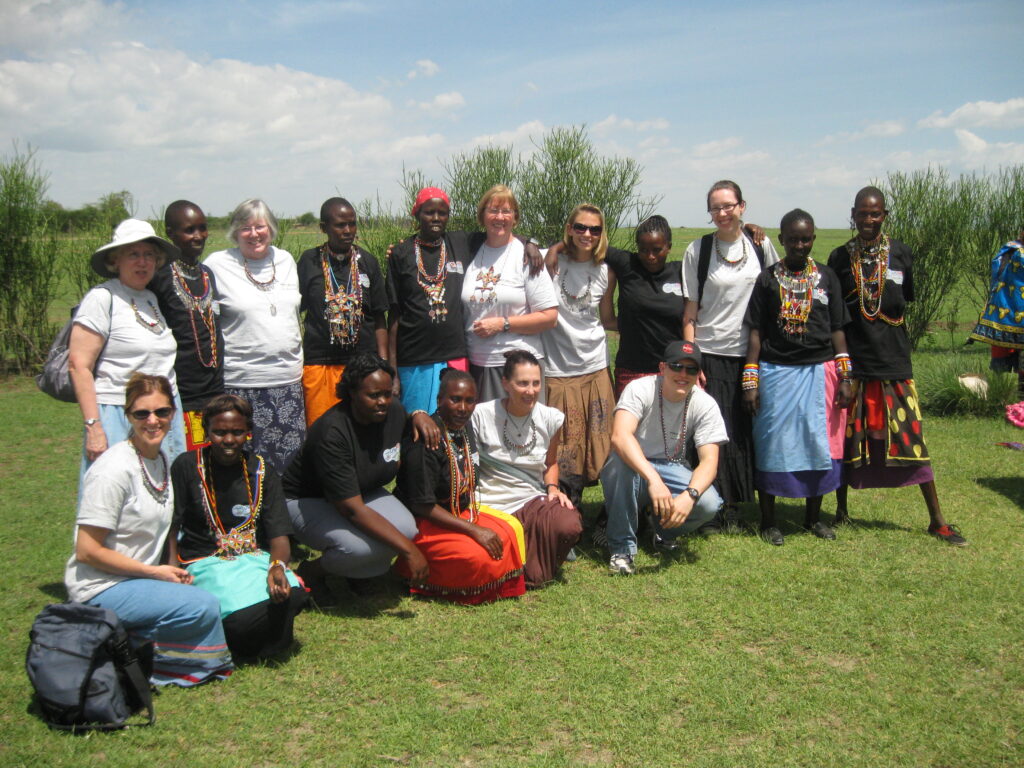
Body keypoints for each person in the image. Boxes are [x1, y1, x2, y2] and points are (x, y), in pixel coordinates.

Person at [64, 373, 234, 686]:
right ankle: (146, 660)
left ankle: (129, 644)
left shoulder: (158, 458)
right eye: (142, 413)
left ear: (173, 413)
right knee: (204, 605)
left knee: (213, 597)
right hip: (101, 587)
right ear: (127, 415)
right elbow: (87, 551)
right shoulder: (113, 470)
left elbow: (168, 526)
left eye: (162, 412)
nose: (153, 421)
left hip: (138, 579)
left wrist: (170, 567)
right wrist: (154, 574)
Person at [831, 187, 967, 545]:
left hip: (894, 361)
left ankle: (936, 519)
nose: (868, 220)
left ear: (884, 215)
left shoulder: (902, 254)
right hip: (854, 364)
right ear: (853, 214)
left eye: (875, 214)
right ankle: (840, 511)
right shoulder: (839, 258)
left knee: (911, 438)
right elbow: (836, 316)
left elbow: (903, 301)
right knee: (847, 438)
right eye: (862, 213)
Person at [282, 353, 438, 605]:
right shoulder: (332, 433)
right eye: (373, 395)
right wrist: (409, 551)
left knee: (406, 529)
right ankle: (312, 573)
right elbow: (351, 510)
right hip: (309, 499)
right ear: (352, 392)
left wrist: (419, 413)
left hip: (364, 490)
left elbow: (409, 422)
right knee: (358, 548)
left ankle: (358, 573)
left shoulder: (394, 412)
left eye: (387, 393)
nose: (382, 401)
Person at [743, 209, 853, 546]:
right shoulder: (766, 280)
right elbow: (756, 332)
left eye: (805, 239)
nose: (799, 245)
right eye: (793, 239)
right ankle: (768, 521)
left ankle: (812, 518)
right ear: (782, 240)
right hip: (776, 372)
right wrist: (751, 378)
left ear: (813, 239)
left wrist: (846, 375)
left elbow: (837, 329)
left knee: (818, 445)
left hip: (820, 373)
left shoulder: (827, 278)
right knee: (772, 444)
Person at [170, 394, 307, 659]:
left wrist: (277, 567)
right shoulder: (187, 466)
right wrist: (173, 576)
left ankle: (254, 638)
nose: (229, 440)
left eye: (237, 432)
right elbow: (171, 524)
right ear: (206, 431)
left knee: (293, 593)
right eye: (219, 432)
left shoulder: (261, 470)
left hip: (251, 558)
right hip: (206, 561)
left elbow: (279, 533)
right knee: (242, 620)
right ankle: (251, 640)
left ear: (248, 432)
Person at [681, 181, 779, 527]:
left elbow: (774, 295)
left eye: (728, 206)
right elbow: (690, 310)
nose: (722, 213)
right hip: (711, 352)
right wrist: (693, 359)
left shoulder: (760, 245)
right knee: (713, 432)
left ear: (742, 206)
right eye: (715, 208)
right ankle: (717, 503)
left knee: (746, 429)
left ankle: (742, 500)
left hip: (751, 354)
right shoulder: (699, 251)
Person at [68, 218, 187, 481]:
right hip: (120, 414)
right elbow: (79, 365)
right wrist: (94, 426)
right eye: (133, 254)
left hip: (163, 414)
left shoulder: (151, 299)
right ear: (115, 260)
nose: (142, 262)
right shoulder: (102, 298)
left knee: (162, 492)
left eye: (148, 255)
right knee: (115, 491)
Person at [395, 369, 527, 603]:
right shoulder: (427, 438)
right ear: (439, 400)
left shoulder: (463, 428)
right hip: (424, 522)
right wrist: (474, 530)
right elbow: (422, 506)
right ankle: (418, 574)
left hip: (459, 512)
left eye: (469, 401)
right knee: (476, 556)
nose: (463, 408)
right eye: (455, 399)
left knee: (511, 530)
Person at [601, 341, 727, 575]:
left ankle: (663, 531)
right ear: (662, 368)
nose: (683, 374)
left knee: (709, 503)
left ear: (699, 373)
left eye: (691, 369)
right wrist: (653, 480)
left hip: (672, 466)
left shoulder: (705, 404)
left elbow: (709, 462)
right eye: (676, 366)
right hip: (633, 464)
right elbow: (620, 436)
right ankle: (621, 549)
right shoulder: (639, 388)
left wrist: (689, 496)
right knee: (620, 464)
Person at [204, 199, 305, 475]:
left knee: (288, 468)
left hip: (287, 384)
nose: (254, 234)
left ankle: (283, 518)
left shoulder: (285, 261)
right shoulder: (217, 264)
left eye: (260, 226)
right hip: (241, 383)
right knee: (241, 466)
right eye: (245, 227)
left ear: (271, 229)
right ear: (235, 232)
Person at [470, 350, 582, 589]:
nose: (530, 391)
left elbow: (550, 462)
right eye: (522, 383)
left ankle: (531, 551)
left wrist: (552, 487)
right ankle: (525, 548)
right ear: (505, 384)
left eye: (535, 383)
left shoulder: (551, 418)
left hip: (530, 497)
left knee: (568, 523)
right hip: (489, 501)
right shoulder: (481, 414)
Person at [540, 203, 616, 505]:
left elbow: (608, 319)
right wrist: (554, 248)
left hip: (594, 366)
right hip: (557, 369)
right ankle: (566, 510)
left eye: (594, 229)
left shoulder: (605, 271)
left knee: (596, 442)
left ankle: (602, 511)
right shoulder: (550, 261)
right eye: (580, 227)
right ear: (569, 229)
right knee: (563, 447)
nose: (587, 234)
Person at [462, 185, 558, 403]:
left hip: (519, 368)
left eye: (506, 211)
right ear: (482, 215)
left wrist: (503, 324)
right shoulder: (470, 251)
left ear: (515, 217)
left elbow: (550, 317)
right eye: (493, 210)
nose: (500, 217)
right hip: (477, 364)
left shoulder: (527, 257)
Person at [298, 197, 389, 426]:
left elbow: (379, 318)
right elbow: (294, 313)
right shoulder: (309, 262)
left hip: (363, 366)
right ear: (323, 228)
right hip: (321, 363)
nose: (348, 231)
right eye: (340, 225)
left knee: (362, 429)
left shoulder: (368, 262)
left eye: (352, 223)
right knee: (321, 430)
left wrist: (384, 365)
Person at [386, 187, 473, 414]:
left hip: (455, 356)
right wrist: (392, 370)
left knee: (453, 425)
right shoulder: (401, 253)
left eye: (442, 213)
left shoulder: (460, 243)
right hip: (414, 359)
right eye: (429, 212)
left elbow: (501, 235)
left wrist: (531, 243)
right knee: (417, 427)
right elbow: (393, 315)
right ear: (417, 214)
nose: (436, 218)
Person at [149, 200, 225, 450]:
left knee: (216, 463)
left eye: (203, 228)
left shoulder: (206, 274)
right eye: (189, 230)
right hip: (182, 393)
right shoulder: (158, 276)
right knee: (186, 466)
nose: (198, 236)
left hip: (215, 390)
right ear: (170, 233)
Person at [603, 215, 685, 397]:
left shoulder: (682, 271)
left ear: (669, 247)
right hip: (632, 371)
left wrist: (746, 228)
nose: (650, 256)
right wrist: (554, 249)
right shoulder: (628, 264)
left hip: (674, 370)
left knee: (672, 426)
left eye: (657, 250)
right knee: (629, 426)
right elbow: (588, 244)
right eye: (643, 250)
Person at [969, 227, 1024, 396]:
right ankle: (1000, 396)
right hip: (1010, 307)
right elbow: (1000, 276)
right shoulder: (1012, 250)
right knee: (1003, 359)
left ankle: (1021, 396)